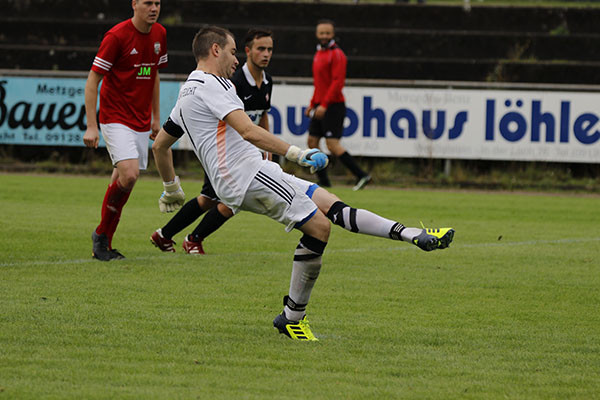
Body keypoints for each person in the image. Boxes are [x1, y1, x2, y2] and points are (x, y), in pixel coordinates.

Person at [152, 26, 454, 341]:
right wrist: (298, 153)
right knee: (320, 228)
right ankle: (293, 317)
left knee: (330, 203)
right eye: (232, 52)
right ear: (215, 50)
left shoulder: (188, 89)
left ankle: (412, 234)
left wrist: (171, 188)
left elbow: (161, 145)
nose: (234, 59)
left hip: (247, 173)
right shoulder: (214, 84)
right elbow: (249, 131)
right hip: (247, 174)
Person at [151, 28, 274, 254]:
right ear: (248, 51)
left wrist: (266, 147)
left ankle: (165, 234)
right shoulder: (232, 80)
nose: (266, 54)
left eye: (270, 49)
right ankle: (193, 239)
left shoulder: (267, 81)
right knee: (230, 200)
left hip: (243, 153)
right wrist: (293, 151)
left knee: (209, 198)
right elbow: (238, 125)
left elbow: (262, 115)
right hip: (224, 152)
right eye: (261, 49)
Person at [83, 0, 168, 261]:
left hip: (140, 121)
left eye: (157, 3)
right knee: (129, 175)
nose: (153, 8)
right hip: (114, 117)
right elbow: (92, 80)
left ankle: (103, 241)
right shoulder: (117, 36)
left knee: (121, 181)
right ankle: (101, 234)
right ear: (134, 4)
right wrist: (91, 125)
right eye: (147, 3)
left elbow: (153, 75)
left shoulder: (160, 34)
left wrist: (156, 117)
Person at [305, 19, 371, 191]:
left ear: (333, 34)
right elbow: (319, 83)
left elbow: (337, 83)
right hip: (320, 104)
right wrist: (312, 104)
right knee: (312, 142)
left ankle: (361, 175)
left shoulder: (337, 55)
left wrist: (324, 105)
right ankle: (324, 181)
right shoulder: (318, 53)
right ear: (317, 35)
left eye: (328, 33)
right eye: (322, 33)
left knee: (332, 144)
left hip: (333, 105)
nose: (324, 36)